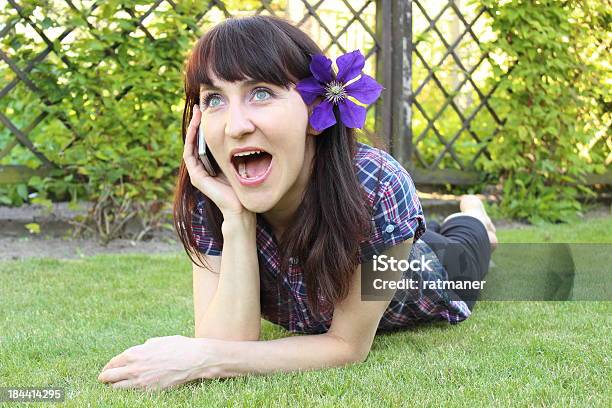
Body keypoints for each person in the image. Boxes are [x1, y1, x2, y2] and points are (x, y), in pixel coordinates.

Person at [98, 14, 497, 391]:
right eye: (215, 99)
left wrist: (201, 360)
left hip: (430, 270)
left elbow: (346, 346)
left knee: (467, 243)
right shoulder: (213, 194)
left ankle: (476, 216)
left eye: (260, 93)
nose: (236, 126)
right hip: (390, 243)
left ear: (313, 110)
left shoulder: (378, 186)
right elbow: (228, 341)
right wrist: (236, 219)